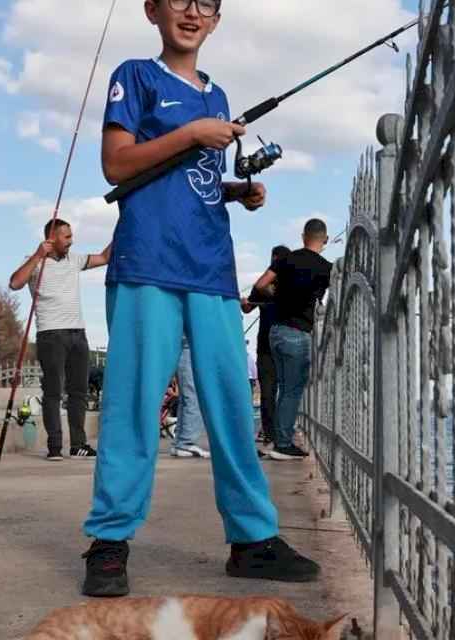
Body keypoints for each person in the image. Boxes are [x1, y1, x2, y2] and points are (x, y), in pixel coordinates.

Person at [82, 0, 320, 598]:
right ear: (152, 10)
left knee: (233, 408)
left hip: (212, 269)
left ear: (216, 19)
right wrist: (191, 134)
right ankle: (109, 542)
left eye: (206, 4)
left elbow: (195, 178)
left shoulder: (218, 97)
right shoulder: (134, 75)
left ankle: (252, 541)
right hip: (146, 264)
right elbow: (116, 164)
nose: (192, 12)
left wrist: (238, 190)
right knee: (133, 405)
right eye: (180, 0)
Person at [8, 219, 111, 461]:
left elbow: (104, 257)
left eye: (71, 235)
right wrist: (36, 255)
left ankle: (78, 444)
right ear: (52, 238)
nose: (71, 240)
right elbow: (14, 283)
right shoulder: (35, 262)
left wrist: (125, 221)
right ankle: (55, 446)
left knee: (79, 391)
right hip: (51, 335)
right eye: (66, 237)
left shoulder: (74, 259)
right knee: (53, 391)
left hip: (78, 333)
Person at [254, 219, 333, 461]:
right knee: (291, 390)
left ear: (303, 236)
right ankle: (283, 444)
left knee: (282, 389)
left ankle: (277, 438)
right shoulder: (326, 268)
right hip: (297, 333)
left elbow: (260, 285)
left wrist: (276, 296)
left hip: (274, 332)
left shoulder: (285, 259)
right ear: (326, 240)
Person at [241, 245, 289, 445]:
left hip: (267, 342)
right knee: (286, 389)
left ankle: (270, 432)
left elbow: (247, 308)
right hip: (286, 341)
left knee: (269, 390)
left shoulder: (263, 282)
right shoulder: (293, 283)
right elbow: (249, 307)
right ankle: (282, 431)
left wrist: (244, 303)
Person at [169, 337, 211, 458]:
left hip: (183, 344)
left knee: (187, 396)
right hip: (189, 344)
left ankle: (180, 442)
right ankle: (186, 442)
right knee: (193, 395)